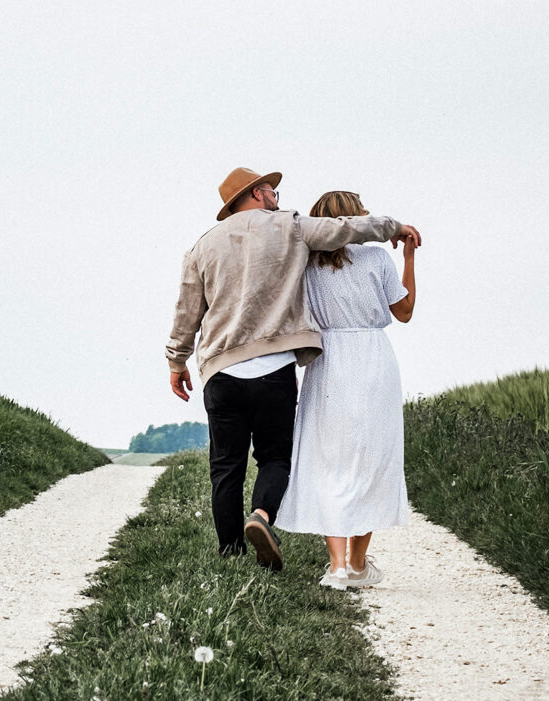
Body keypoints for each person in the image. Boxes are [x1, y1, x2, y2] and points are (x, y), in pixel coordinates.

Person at [166, 168, 421, 571]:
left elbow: (187, 312)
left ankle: (230, 554)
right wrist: (395, 227)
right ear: (256, 194)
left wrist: (176, 361)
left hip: (221, 369)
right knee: (275, 458)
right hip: (275, 367)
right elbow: (345, 229)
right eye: (272, 190)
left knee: (226, 465)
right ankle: (263, 516)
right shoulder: (290, 228)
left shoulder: (202, 247)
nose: (277, 197)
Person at [272, 190, 417, 590]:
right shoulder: (376, 259)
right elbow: (403, 313)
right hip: (372, 358)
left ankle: (336, 565)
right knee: (371, 457)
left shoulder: (305, 265)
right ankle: (357, 562)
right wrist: (408, 258)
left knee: (328, 460)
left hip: (327, 359)